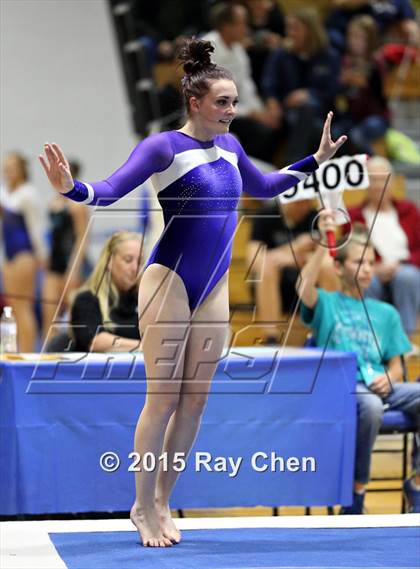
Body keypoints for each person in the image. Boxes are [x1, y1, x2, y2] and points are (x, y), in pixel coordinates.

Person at [38, 38, 346, 546]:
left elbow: (265, 188)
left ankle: (163, 498)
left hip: (214, 286)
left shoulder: (231, 146)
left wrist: (313, 159)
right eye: (223, 102)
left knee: (196, 401)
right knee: (162, 399)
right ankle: (140, 504)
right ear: (196, 103)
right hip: (170, 281)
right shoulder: (163, 147)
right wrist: (71, 188)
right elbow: (110, 191)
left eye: (233, 101)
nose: (232, 110)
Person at [296, 209, 420, 514]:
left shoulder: (386, 313)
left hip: (380, 387)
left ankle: (416, 482)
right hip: (342, 390)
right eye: (357, 262)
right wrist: (323, 248)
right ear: (338, 267)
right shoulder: (326, 303)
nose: (365, 269)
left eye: (369, 263)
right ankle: (356, 493)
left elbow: (396, 363)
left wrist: (390, 377)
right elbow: (303, 288)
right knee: (370, 406)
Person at [347, 156, 420, 345]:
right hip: (372, 270)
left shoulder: (409, 210)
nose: (378, 185)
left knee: (408, 277)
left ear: (392, 182)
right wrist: (373, 267)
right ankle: (373, 342)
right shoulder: (354, 215)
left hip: (405, 269)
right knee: (365, 279)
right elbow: (351, 250)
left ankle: (403, 342)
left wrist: (400, 265)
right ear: (365, 183)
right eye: (373, 179)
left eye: (383, 179)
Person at [247, 199, 338, 344]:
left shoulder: (315, 217)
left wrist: (293, 259)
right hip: (276, 286)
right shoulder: (266, 215)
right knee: (266, 267)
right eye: (298, 203)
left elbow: (328, 259)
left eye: (306, 202)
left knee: (328, 267)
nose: (303, 206)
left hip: (307, 284)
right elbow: (254, 261)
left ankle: (333, 331)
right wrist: (294, 247)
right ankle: (271, 338)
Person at [202, 1, 282, 162]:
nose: (247, 29)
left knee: (278, 126)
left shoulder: (239, 51)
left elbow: (246, 87)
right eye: (242, 23)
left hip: (236, 112)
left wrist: (262, 112)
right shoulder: (207, 49)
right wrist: (253, 114)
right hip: (210, 114)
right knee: (259, 133)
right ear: (226, 26)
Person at [262, 7, 341, 164]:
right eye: (288, 28)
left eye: (295, 28)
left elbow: (332, 91)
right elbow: (268, 83)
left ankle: (291, 163)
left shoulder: (329, 56)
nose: (290, 33)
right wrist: (272, 102)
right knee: (312, 126)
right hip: (287, 110)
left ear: (310, 30)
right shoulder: (281, 54)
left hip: (321, 113)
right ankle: (300, 168)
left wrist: (310, 93)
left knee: (309, 109)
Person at [1, 152, 47, 352]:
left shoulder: (28, 193)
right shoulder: (6, 194)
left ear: (22, 170)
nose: (8, 171)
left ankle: (28, 353)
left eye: (13, 167)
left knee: (23, 307)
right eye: (6, 167)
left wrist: (41, 255)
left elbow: (35, 228)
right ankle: (17, 351)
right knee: (12, 308)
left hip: (25, 255)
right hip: (9, 257)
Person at [70, 231, 142, 352]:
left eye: (139, 262)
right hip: (95, 370)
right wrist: (143, 347)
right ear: (109, 261)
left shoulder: (143, 300)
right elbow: (95, 341)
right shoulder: (87, 299)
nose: (135, 268)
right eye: (128, 260)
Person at [43, 160, 90, 342]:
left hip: (72, 263)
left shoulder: (77, 205)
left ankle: (72, 353)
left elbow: (82, 238)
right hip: (54, 264)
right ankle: (47, 356)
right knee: (49, 313)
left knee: (72, 317)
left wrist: (74, 267)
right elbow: (52, 236)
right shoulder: (53, 203)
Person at [332, 15, 390, 156]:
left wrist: (366, 84)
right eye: (352, 37)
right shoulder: (345, 62)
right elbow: (340, 97)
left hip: (376, 116)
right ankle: (346, 170)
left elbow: (383, 98)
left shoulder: (377, 62)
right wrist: (342, 83)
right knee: (335, 133)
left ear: (370, 40)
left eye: (360, 38)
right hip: (352, 116)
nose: (355, 42)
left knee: (357, 136)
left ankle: (375, 165)